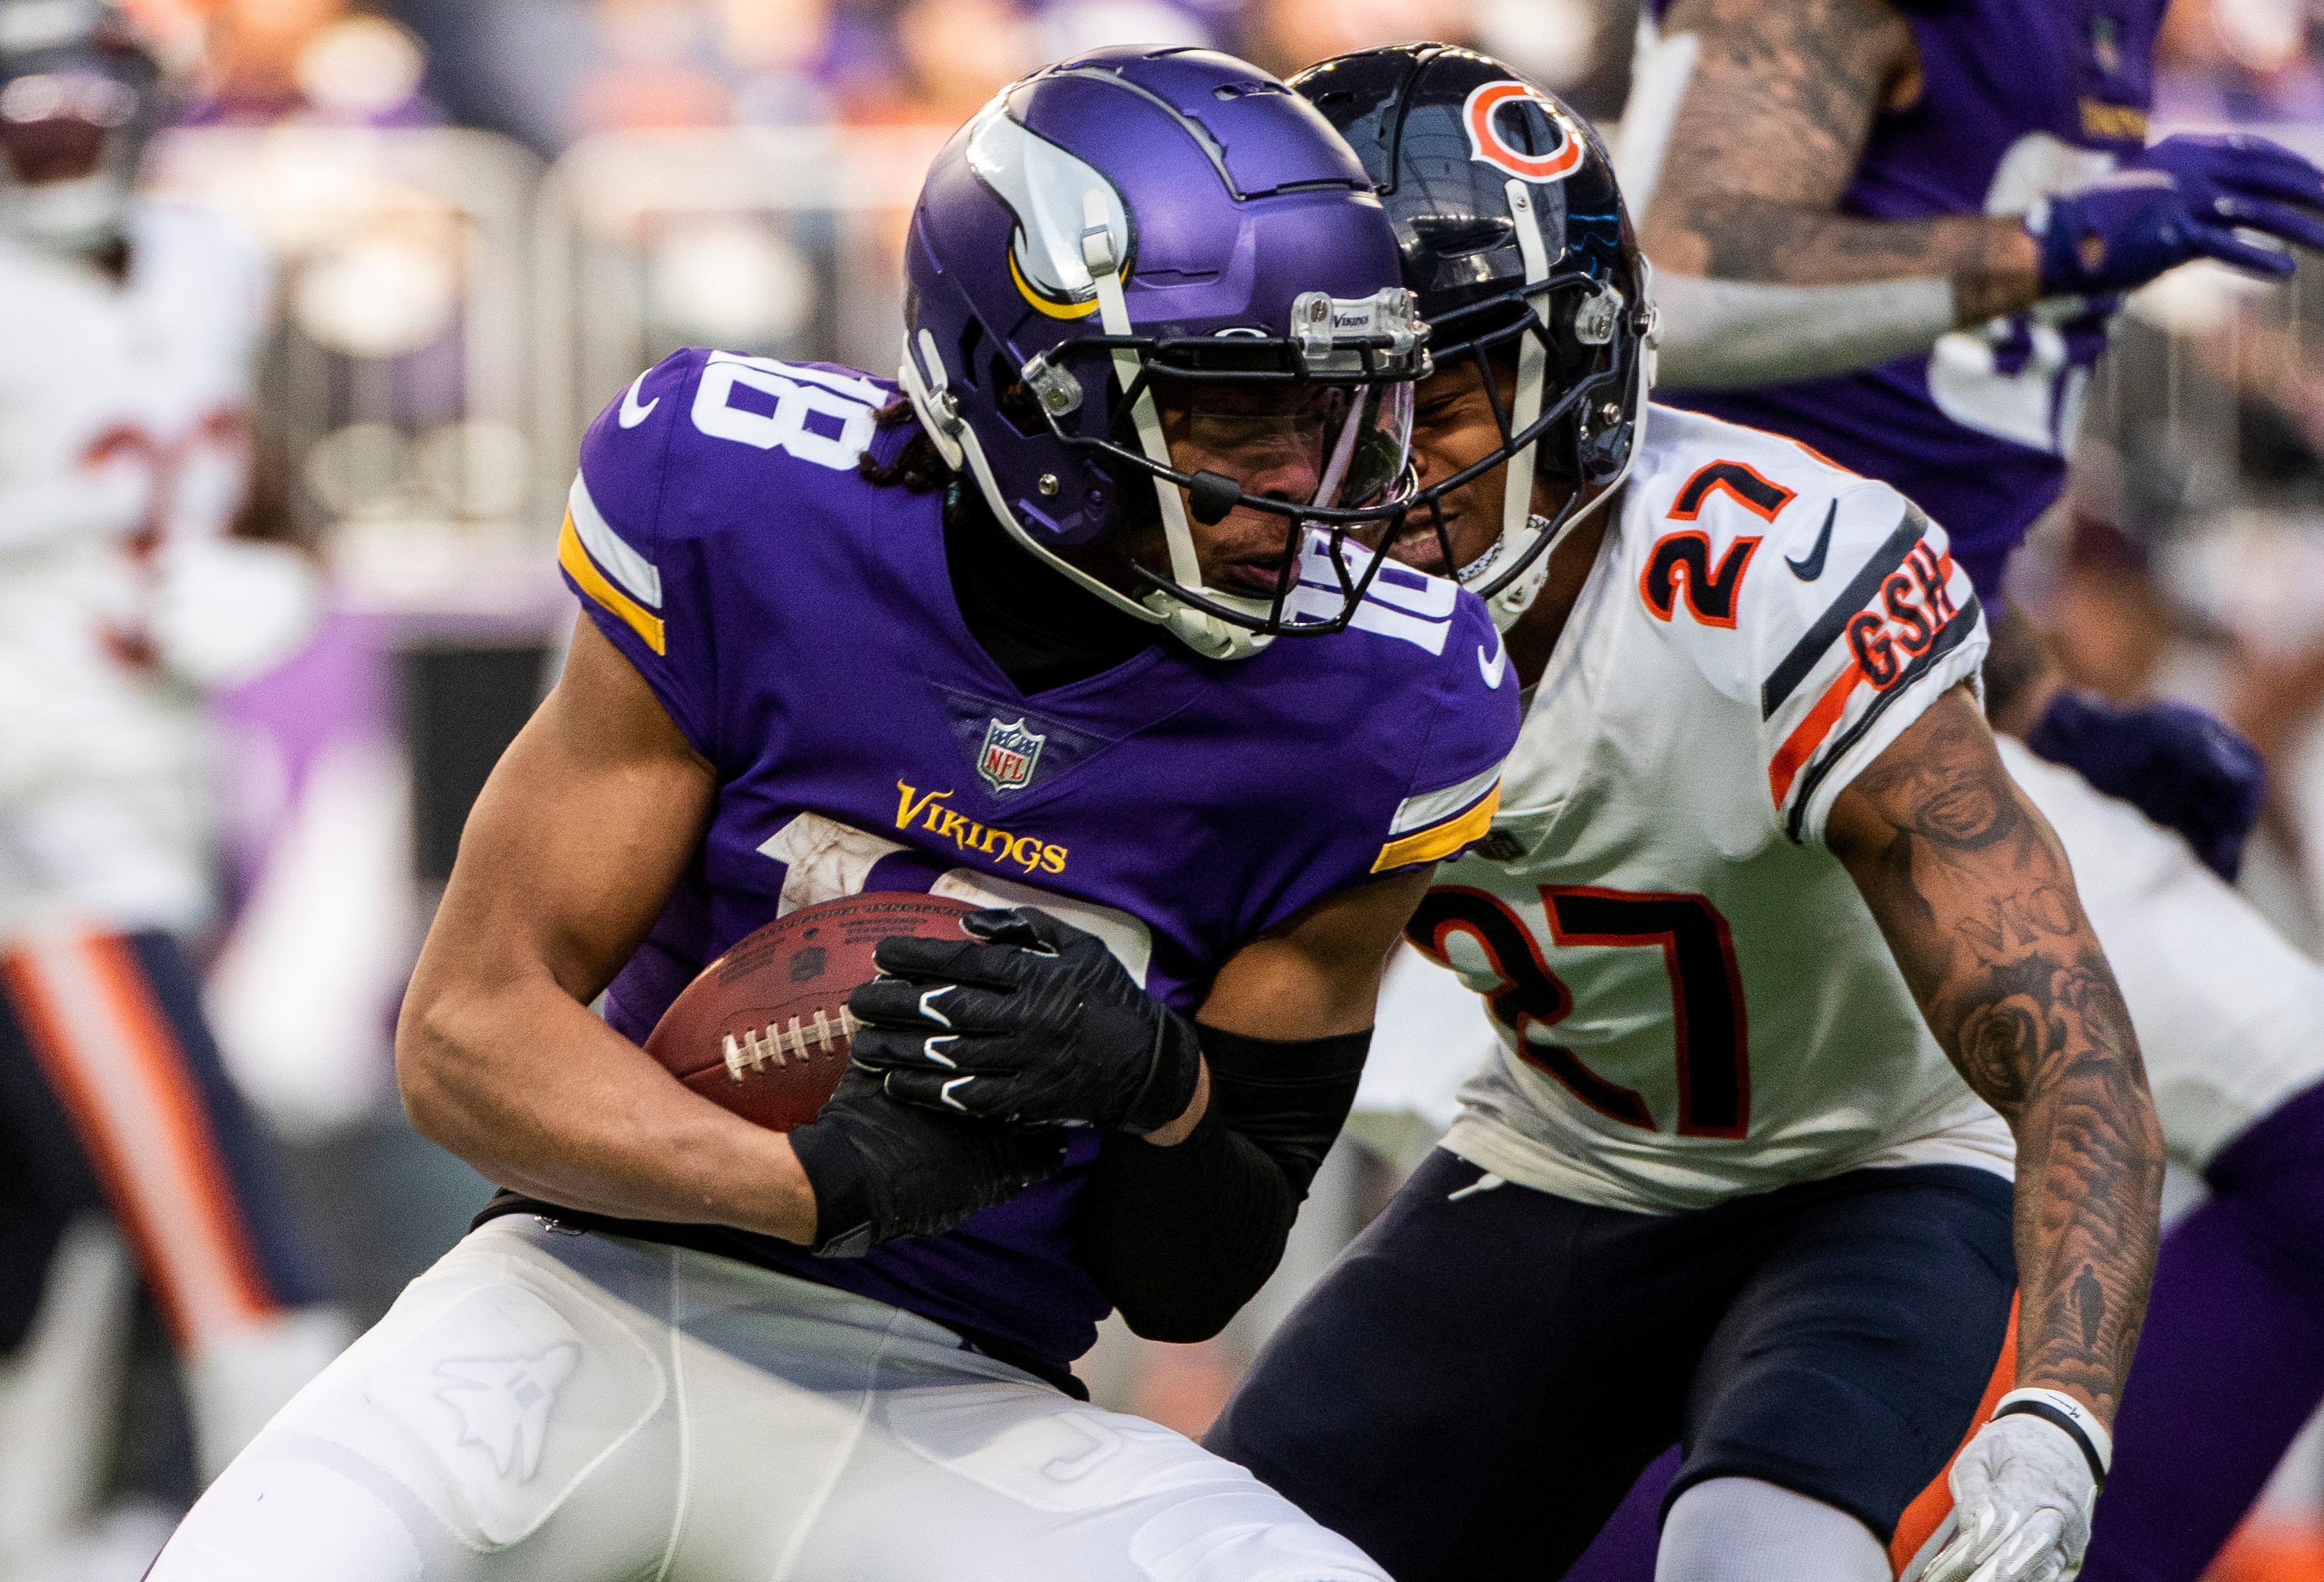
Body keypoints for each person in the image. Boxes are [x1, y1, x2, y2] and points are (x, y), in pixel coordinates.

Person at [146, 45, 1522, 1581]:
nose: (1309, 484)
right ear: (1027, 387)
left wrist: (1155, 1077)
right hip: (572, 1304)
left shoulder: (1386, 699)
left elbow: (1190, 1282)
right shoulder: (751, 501)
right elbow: (466, 1032)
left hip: (960, 1387)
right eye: (1230, 416)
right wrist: (808, 1185)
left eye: (1338, 411)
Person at [1205, 47, 2165, 1582]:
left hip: (1878, 1172)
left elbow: (2069, 1047)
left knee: (1761, 1563)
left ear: (1572, 383)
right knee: (1218, 1554)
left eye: (1431, 404)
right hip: (1564, 1157)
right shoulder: (1267, 601)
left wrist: (2059, 1410)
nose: (1362, 470)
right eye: (1323, 402)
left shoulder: (1767, 581)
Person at [1604, 1, 2324, 1573]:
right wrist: (2048, 244)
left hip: (1891, 688)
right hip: (1721, 705)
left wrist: (2054, 700)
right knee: (1715, 1252)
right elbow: (1679, 290)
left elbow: (1910, 459)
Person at [0, 0, 345, 1561]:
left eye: (82, 99)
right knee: (215, 1216)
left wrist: (267, 564)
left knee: (53, 1217)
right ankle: (316, 1525)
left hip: (150, 785)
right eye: (26, 102)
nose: (57, 133)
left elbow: (257, 481)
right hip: (34, 815)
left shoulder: (207, 258)